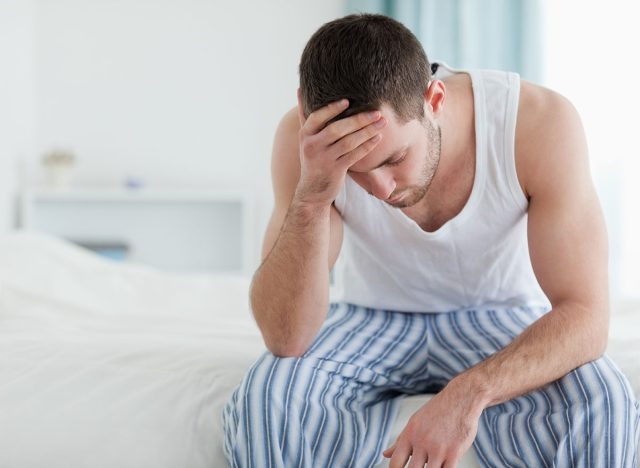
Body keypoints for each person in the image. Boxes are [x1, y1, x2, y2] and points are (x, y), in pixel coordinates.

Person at [222, 13, 640, 468]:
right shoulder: (308, 146)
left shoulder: (537, 123)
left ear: (433, 99)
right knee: (266, 398)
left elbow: (586, 315)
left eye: (395, 158)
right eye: (356, 171)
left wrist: (470, 391)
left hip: (498, 315)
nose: (380, 189)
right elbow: (287, 337)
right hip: (372, 317)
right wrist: (314, 196)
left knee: (606, 399)